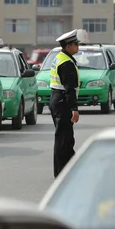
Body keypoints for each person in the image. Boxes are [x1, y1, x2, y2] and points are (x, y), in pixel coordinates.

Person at [50, 29, 81, 177]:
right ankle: (62, 172)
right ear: (68, 46)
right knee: (63, 139)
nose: (78, 46)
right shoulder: (67, 63)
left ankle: (67, 170)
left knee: (66, 138)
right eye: (75, 44)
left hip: (57, 99)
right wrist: (74, 109)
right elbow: (70, 89)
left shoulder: (60, 57)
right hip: (63, 102)